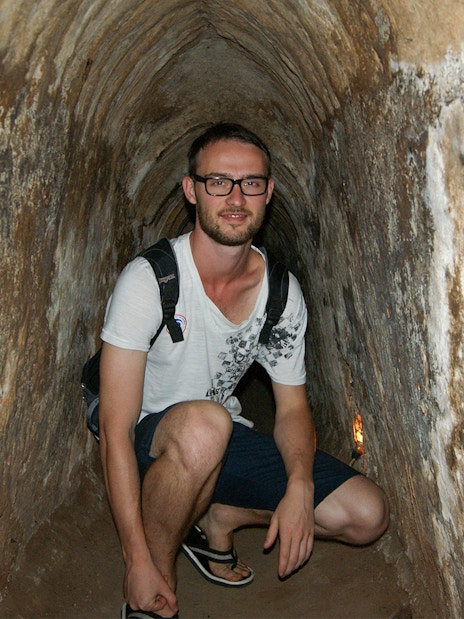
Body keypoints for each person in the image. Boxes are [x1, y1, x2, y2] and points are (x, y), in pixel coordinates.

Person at [98, 122, 389, 619]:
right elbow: (114, 428)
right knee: (205, 424)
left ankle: (218, 515)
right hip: (154, 447)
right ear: (192, 190)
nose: (235, 196)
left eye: (251, 182)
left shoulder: (280, 293)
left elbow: (293, 406)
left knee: (366, 515)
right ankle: (159, 585)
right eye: (218, 181)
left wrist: (299, 484)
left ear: (268, 192)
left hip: (221, 438)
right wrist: (137, 560)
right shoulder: (152, 280)